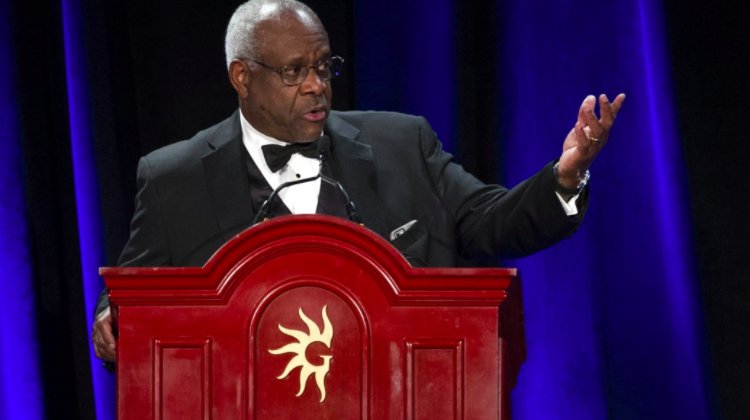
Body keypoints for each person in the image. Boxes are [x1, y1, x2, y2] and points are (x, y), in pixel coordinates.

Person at [92, 0, 625, 362]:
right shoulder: (173, 177)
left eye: (324, 67)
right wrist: (111, 318)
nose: (316, 86)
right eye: (294, 71)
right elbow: (128, 295)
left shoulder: (402, 144)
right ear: (242, 77)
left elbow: (489, 222)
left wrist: (565, 175)